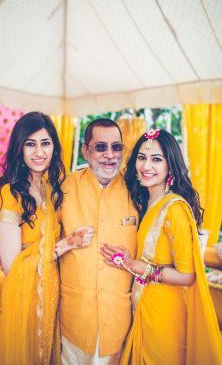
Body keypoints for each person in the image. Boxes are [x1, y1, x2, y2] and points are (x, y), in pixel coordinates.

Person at [101, 128, 222, 365]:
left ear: (171, 165)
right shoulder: (147, 201)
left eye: (157, 159)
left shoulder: (175, 209)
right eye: (142, 157)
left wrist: (135, 266)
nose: (146, 166)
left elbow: (187, 276)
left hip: (163, 313)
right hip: (143, 305)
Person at [0, 112, 94, 365]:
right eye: (30, 144)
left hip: (50, 288)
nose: (39, 152)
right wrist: (68, 244)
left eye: (45, 143)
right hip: (24, 294)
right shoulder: (10, 193)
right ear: (19, 148)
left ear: (54, 146)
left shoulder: (47, 186)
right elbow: (13, 266)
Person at [59, 118, 138, 364]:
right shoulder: (64, 187)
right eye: (100, 147)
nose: (110, 155)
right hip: (74, 319)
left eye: (116, 147)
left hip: (117, 321)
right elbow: (42, 235)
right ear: (86, 151)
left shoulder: (137, 190)